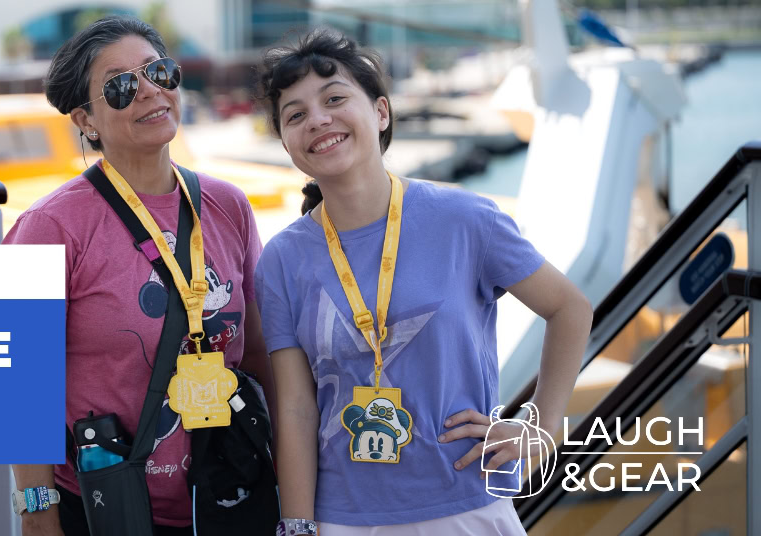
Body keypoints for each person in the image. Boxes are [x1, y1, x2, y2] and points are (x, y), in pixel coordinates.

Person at [254, 29, 592, 535]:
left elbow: (569, 308)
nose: (318, 120)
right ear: (287, 143)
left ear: (381, 112)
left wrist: (539, 427)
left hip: (466, 504)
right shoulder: (282, 259)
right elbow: (297, 410)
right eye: (295, 115)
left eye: (335, 99)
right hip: (344, 519)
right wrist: (299, 527)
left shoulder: (465, 220)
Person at [4, 16, 274, 536]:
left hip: (229, 497)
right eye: (121, 86)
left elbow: (260, 354)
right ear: (86, 120)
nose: (150, 90)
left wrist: (289, 479)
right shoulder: (50, 227)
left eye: (158, 71)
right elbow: (20, 388)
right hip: (107, 510)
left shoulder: (228, 206)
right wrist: (38, 518)